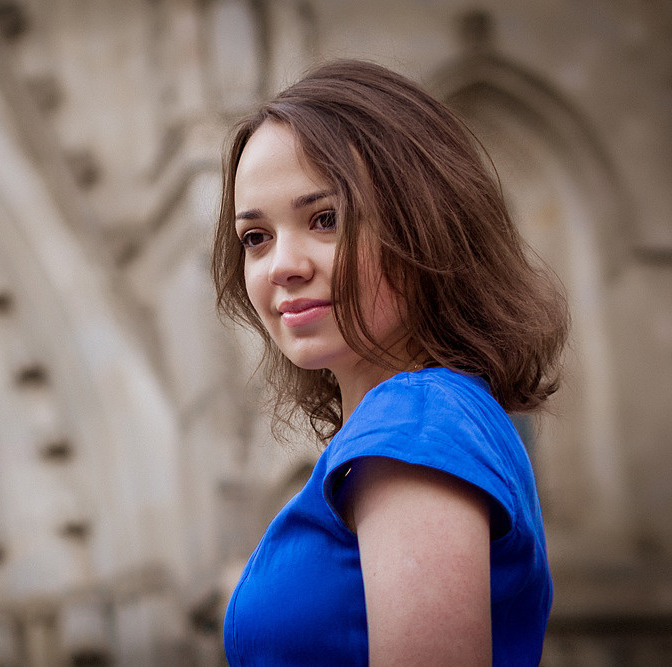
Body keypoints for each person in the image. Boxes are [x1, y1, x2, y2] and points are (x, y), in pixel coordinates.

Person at [211, 59, 570, 666]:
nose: (281, 266)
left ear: (424, 226)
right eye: (256, 237)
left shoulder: (416, 422)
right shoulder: (419, 421)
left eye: (325, 220)